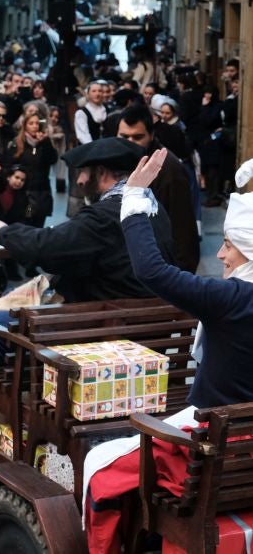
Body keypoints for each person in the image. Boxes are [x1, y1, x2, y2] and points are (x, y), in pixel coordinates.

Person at [0, 138, 177, 446]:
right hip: (141, 332)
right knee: (21, 307)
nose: (77, 180)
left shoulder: (107, 214)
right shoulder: (153, 210)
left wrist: (2, 231)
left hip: (103, 338)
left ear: (101, 172)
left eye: (82, 173)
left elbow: (46, 247)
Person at [84, 152, 253, 552]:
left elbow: (152, 271)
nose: (219, 254)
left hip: (209, 454)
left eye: (227, 245)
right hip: (240, 448)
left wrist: (135, 198)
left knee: (98, 463)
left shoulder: (234, 299)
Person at [117, 104, 199, 272]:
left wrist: (183, 275)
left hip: (159, 264)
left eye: (137, 137)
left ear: (151, 135)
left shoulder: (168, 168)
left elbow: (182, 226)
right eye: (124, 136)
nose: (129, 143)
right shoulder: (117, 158)